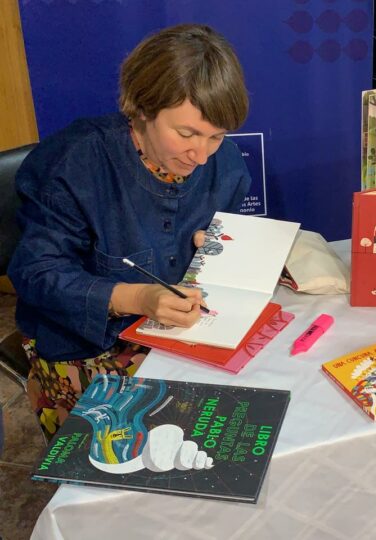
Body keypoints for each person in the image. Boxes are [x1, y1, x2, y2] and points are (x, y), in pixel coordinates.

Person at [8, 24, 251, 438]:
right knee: (150, 441)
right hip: (83, 345)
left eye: (216, 136)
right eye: (186, 133)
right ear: (141, 109)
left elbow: (228, 243)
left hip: (183, 331)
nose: (201, 155)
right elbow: (36, 274)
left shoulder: (224, 164)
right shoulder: (74, 164)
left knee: (240, 420)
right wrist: (137, 297)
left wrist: (219, 251)